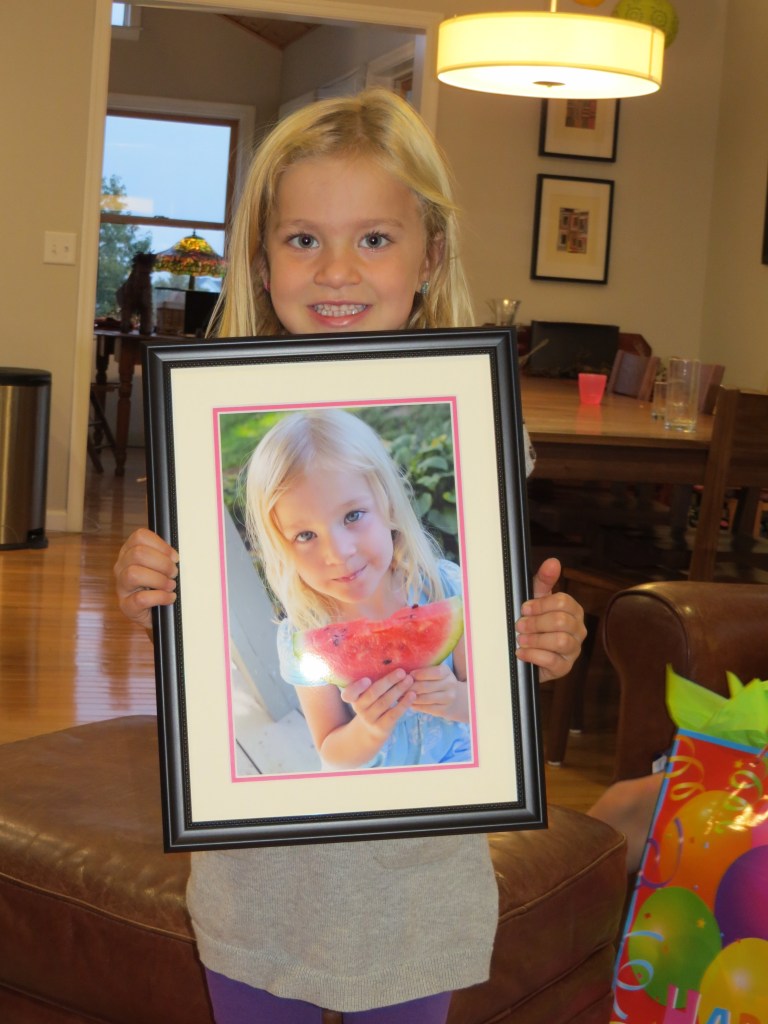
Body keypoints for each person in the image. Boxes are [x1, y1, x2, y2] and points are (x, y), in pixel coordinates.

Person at [114, 88, 587, 1023]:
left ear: (430, 252)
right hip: (260, 878)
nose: (337, 270)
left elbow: (490, 676)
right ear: (262, 255)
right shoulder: (198, 419)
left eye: (374, 238)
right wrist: (148, 588)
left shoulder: (486, 430)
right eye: (302, 240)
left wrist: (542, 644)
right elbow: (313, 733)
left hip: (421, 882)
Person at [244, 406, 471, 770]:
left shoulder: (444, 589)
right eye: (305, 535)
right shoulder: (302, 637)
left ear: (388, 506)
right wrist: (368, 729)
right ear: (282, 549)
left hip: (456, 765)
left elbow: (491, 703)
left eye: (352, 516)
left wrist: (456, 699)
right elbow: (330, 749)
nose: (338, 553)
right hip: (370, 791)